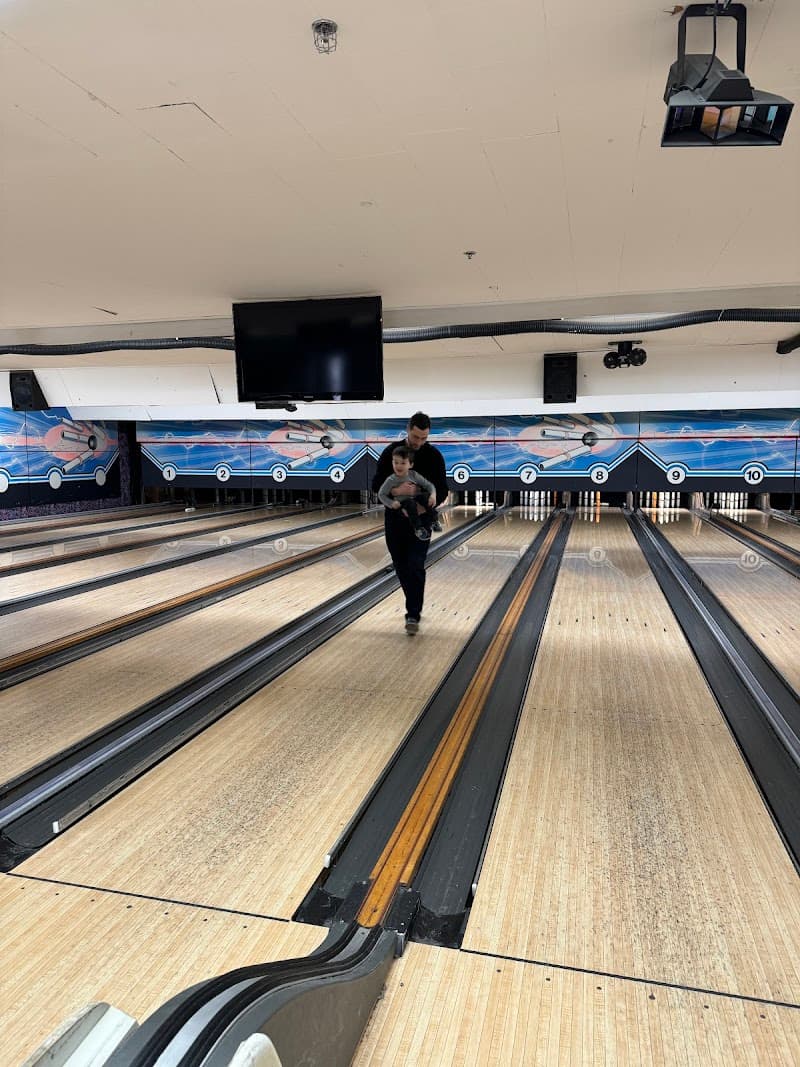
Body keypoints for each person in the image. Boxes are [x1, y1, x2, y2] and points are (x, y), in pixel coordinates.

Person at [372, 412, 448, 635]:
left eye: (424, 438)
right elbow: (376, 484)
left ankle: (413, 613)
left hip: (421, 520)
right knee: (401, 565)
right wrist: (396, 492)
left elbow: (442, 489)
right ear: (408, 429)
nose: (419, 442)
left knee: (415, 564)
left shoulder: (434, 456)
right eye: (416, 437)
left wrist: (427, 505)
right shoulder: (391, 452)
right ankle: (413, 602)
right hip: (395, 520)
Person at [377, 445, 438, 542]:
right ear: (392, 462)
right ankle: (418, 529)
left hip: (415, 499)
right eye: (396, 462)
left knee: (425, 497)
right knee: (410, 503)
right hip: (403, 504)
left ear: (411, 465)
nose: (399, 466)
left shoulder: (414, 475)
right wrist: (391, 503)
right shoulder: (391, 480)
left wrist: (433, 495)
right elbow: (381, 494)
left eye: (403, 463)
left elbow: (429, 485)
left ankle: (434, 521)